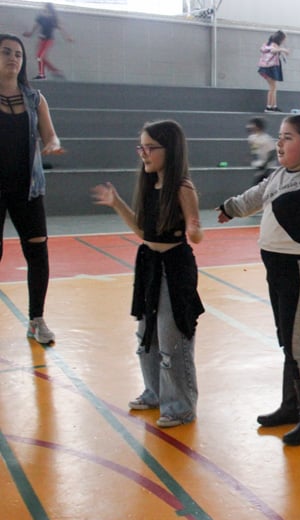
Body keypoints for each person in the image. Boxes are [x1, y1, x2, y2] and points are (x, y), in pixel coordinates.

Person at [217, 114, 300, 445]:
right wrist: (231, 208)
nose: (279, 143)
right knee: (287, 340)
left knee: (298, 344)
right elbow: (255, 196)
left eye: (288, 138)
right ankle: (291, 407)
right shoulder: (278, 175)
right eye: (279, 136)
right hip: (276, 268)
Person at [91, 120, 205, 428]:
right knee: (146, 334)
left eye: (150, 147)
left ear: (171, 149)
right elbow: (144, 231)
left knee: (172, 338)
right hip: (149, 264)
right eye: (141, 147)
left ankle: (180, 406)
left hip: (175, 268)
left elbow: (196, 235)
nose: (143, 153)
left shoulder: (182, 188)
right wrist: (117, 204)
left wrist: (195, 228)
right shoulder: (149, 184)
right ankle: (154, 393)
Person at [0, 34, 64, 345]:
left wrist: (52, 144)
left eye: (18, 54)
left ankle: (36, 320)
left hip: (28, 188)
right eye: (6, 52)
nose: (13, 58)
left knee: (37, 251)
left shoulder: (35, 99)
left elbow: (51, 135)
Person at [22, 3, 72, 80]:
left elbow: (60, 28)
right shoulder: (41, 17)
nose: (45, 10)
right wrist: (30, 33)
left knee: (40, 56)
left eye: (47, 9)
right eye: (45, 9)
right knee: (40, 57)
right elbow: (35, 26)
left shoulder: (53, 19)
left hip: (49, 40)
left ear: (50, 10)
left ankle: (43, 74)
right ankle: (54, 71)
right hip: (41, 39)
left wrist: (67, 37)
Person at [258, 30, 288, 112]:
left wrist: (282, 51)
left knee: (273, 87)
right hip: (270, 68)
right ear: (280, 39)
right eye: (284, 39)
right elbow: (273, 50)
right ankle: (268, 107)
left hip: (266, 67)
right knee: (272, 87)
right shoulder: (274, 45)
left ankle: (274, 106)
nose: (285, 40)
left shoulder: (268, 44)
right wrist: (283, 50)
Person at [246, 116, 276, 182]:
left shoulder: (267, 139)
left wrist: (264, 165)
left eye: (252, 124)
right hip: (258, 165)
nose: (249, 126)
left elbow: (272, 152)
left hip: (266, 167)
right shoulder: (252, 138)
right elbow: (254, 150)